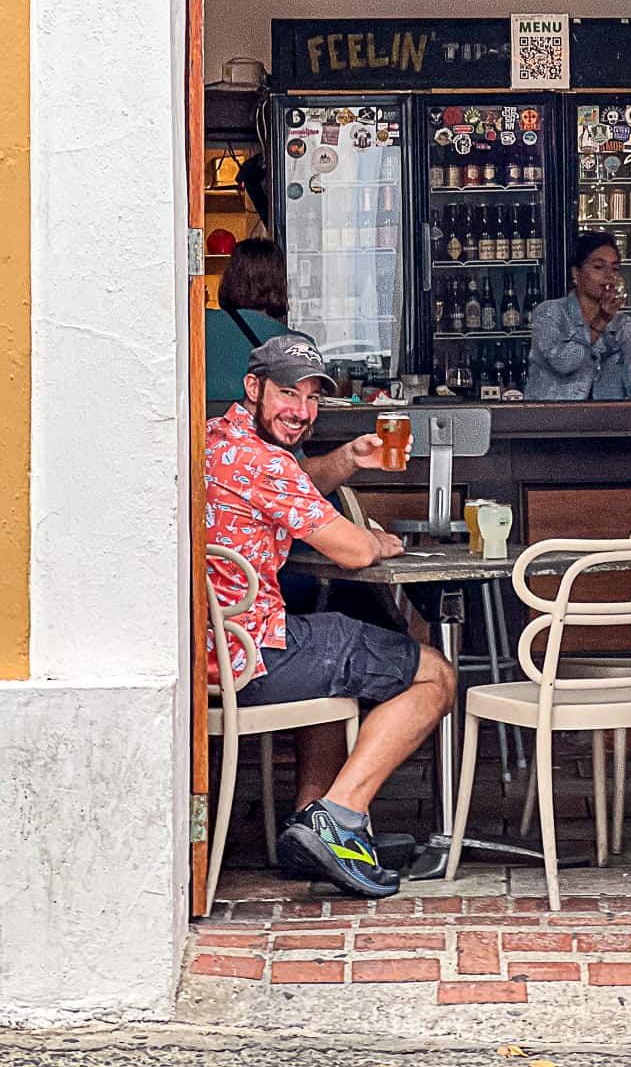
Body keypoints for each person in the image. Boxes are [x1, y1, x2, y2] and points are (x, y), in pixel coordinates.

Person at [206, 335, 456, 899]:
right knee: (435, 674)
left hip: (215, 649)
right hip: (254, 655)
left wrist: (347, 459)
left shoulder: (218, 438)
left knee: (332, 670)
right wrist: (375, 542)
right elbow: (354, 553)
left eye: (313, 398)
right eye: (287, 393)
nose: (301, 410)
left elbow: (287, 487)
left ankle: (310, 836)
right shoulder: (264, 461)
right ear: (254, 388)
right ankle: (339, 817)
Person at [524, 231, 631, 400]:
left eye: (615, 268)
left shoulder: (623, 324)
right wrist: (601, 322)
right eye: (599, 267)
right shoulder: (550, 313)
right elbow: (563, 362)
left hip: (606, 421)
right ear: (576, 274)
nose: (609, 276)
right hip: (552, 420)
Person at [205, 238, 304, 404]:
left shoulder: (196, 327)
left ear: (230, 278)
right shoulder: (298, 345)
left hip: (201, 427)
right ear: (280, 283)